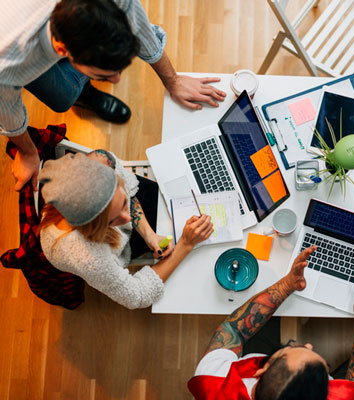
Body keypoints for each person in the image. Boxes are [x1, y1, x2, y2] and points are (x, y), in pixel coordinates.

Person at [1, 0, 227, 192]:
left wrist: (172, 80)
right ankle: (80, 94)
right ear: (63, 50)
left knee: (66, 89)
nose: (117, 81)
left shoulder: (116, 2)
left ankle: (84, 89)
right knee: (61, 97)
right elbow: (7, 110)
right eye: (105, 75)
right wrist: (28, 152)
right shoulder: (8, 65)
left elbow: (140, 28)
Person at [188, 246, 354, 400]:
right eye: (324, 367)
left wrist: (286, 285)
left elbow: (232, 330)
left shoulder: (213, 383)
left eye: (290, 351)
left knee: (267, 318)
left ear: (259, 372)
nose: (309, 345)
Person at [39, 151, 214, 309]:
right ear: (94, 227)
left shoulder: (99, 164)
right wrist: (185, 244)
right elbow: (137, 296)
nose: (128, 218)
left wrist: (149, 234)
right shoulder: (89, 257)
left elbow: (129, 189)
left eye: (123, 203)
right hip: (116, 249)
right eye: (114, 219)